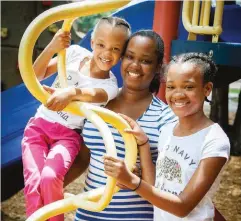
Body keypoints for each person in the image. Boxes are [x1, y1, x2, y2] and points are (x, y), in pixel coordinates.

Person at [21, 16, 131, 221]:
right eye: (101, 45)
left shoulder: (110, 86)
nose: (107, 53)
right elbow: (34, 74)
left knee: (50, 178)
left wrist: (70, 93)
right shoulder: (74, 54)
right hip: (38, 128)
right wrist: (52, 47)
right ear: (91, 42)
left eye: (116, 49)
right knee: (34, 182)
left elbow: (90, 94)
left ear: (122, 54)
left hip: (67, 136)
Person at [104, 52, 230, 221]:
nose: (178, 94)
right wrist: (143, 144)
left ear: (207, 89)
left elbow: (182, 207)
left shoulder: (214, 140)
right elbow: (156, 187)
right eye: (171, 87)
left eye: (188, 87)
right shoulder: (167, 131)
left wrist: (133, 181)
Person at [74, 30, 177, 221]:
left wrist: (135, 180)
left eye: (145, 61)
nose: (135, 65)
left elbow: (161, 188)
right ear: (121, 58)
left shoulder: (165, 118)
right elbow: (83, 158)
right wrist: (49, 189)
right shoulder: (98, 103)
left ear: (157, 68)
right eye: (130, 56)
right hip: (88, 214)